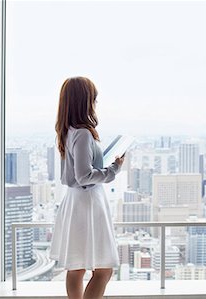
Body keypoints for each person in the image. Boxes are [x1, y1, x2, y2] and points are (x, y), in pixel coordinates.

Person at [49, 76, 125, 299]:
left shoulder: (68, 130)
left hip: (75, 202)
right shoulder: (82, 133)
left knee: (76, 267)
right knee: (103, 270)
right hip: (87, 202)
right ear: (85, 101)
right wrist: (113, 170)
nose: (95, 102)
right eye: (93, 98)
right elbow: (84, 176)